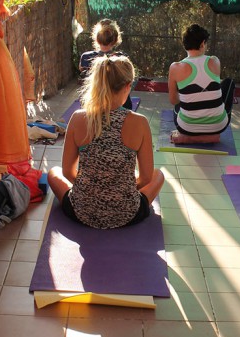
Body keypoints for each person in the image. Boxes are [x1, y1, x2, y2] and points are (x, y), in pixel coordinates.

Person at [48, 55, 164, 229]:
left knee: (53, 172)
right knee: (158, 175)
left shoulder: (78, 117)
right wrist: (118, 188)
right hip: (128, 214)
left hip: (80, 211)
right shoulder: (140, 122)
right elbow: (146, 178)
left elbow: (67, 172)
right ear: (127, 86)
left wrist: (94, 187)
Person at [167, 23, 235, 144]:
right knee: (229, 83)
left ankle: (189, 138)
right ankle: (210, 136)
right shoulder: (215, 61)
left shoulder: (175, 67)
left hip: (186, 128)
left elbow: (173, 100)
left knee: (180, 99)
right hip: (219, 126)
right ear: (202, 43)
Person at [79, 19, 133, 109]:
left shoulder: (85, 57)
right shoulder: (122, 59)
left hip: (93, 105)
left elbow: (83, 75)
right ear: (115, 40)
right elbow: (129, 81)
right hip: (121, 106)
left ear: (96, 38)